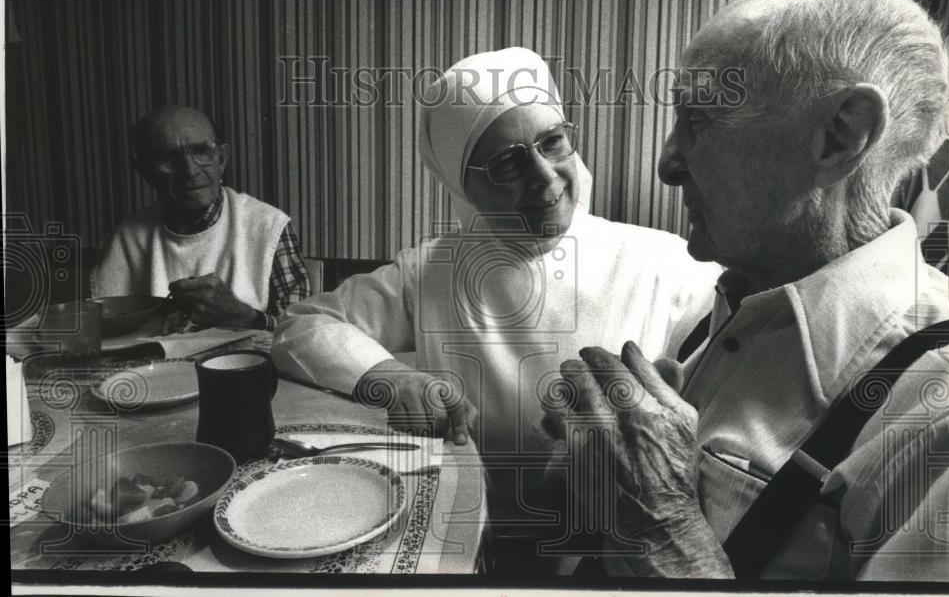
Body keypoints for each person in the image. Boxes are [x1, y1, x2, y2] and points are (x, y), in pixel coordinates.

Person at [548, 0, 949, 581]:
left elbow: (662, 524)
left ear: (839, 137)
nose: (667, 164)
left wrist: (665, 528)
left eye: (699, 120)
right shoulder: (730, 299)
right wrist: (596, 478)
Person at [271, 47, 721, 564]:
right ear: (463, 187)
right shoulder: (432, 270)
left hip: (618, 558)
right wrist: (396, 378)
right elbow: (302, 326)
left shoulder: (665, 262)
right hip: (468, 545)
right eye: (508, 163)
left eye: (552, 141)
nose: (545, 175)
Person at [91, 105, 309, 331]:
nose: (190, 170)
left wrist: (247, 318)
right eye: (169, 157)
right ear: (145, 171)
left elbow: (303, 331)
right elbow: (102, 332)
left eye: (201, 151)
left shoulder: (268, 227)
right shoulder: (124, 239)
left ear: (221, 159)